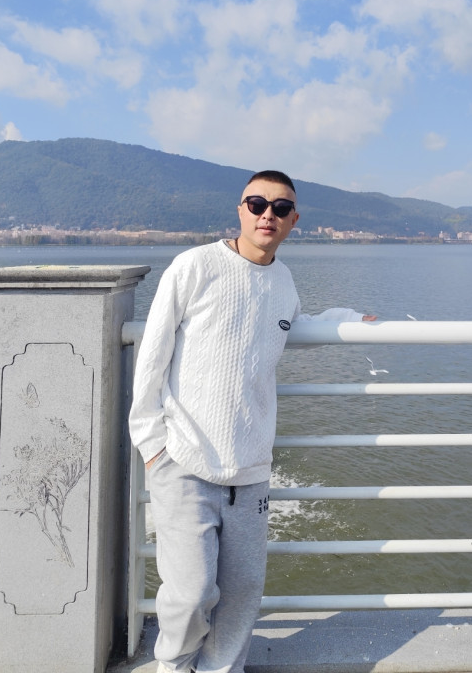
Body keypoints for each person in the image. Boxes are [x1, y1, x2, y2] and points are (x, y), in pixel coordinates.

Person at [129, 170, 375, 673]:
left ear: (293, 221)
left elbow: (293, 325)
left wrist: (348, 320)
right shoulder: (195, 266)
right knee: (191, 592)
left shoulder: (283, 282)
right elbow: (151, 357)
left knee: (242, 593)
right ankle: (173, 666)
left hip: (251, 467)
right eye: (257, 204)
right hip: (184, 459)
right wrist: (153, 445)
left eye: (280, 208)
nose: (268, 215)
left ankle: (223, 669)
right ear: (240, 209)